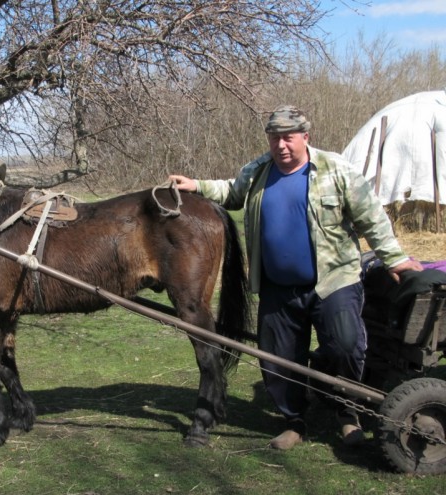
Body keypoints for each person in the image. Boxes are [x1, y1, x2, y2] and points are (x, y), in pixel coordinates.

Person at [168, 105, 423, 450]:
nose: (281, 145)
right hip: (276, 286)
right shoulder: (258, 171)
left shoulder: (336, 170)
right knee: (277, 358)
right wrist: (196, 185)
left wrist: (395, 259)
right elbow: (232, 192)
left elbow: (371, 216)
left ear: (306, 136)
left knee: (346, 345)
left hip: (333, 280)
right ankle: (294, 420)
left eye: (288, 137)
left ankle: (347, 413)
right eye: (274, 138)